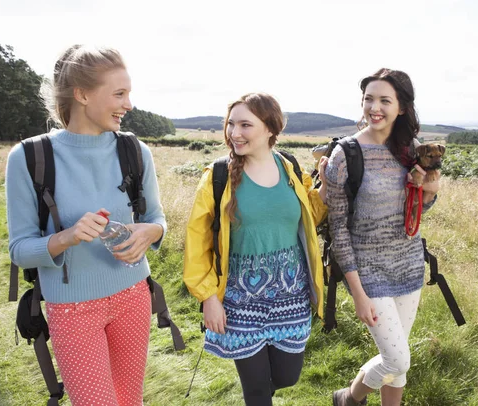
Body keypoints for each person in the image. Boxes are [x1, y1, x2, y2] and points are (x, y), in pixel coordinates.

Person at [5, 45, 167, 406]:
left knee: (129, 401)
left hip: (133, 296)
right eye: (119, 94)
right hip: (72, 308)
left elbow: (156, 218)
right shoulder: (29, 157)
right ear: (82, 94)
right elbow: (18, 249)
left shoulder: (135, 151)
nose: (128, 104)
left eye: (129, 93)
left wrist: (150, 233)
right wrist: (66, 237)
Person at [183, 93, 328, 406]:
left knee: (288, 376)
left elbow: (309, 216)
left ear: (270, 129)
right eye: (231, 124)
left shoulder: (289, 167)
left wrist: (325, 189)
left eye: (245, 124)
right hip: (240, 300)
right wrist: (208, 297)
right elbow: (197, 241)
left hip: (292, 295)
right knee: (257, 390)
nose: (235, 133)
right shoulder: (218, 177)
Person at [327, 68, 440, 406]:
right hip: (368, 273)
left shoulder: (413, 150)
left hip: (408, 266)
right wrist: (358, 292)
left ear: (402, 107)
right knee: (396, 359)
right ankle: (350, 395)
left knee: (398, 357)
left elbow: (416, 211)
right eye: (369, 99)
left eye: (384, 100)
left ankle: (350, 400)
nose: (374, 108)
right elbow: (338, 228)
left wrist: (431, 193)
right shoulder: (345, 154)